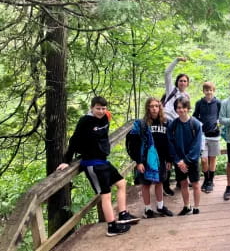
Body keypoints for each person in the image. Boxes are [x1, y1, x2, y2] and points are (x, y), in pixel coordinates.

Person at [56, 96, 140, 237]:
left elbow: (103, 133)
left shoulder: (105, 117)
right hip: (92, 164)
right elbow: (74, 140)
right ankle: (112, 226)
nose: (101, 111)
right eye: (98, 108)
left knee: (121, 183)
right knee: (105, 195)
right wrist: (66, 160)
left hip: (103, 161)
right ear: (92, 108)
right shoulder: (85, 121)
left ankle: (123, 214)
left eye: (103, 108)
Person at [126, 97, 174, 218]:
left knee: (159, 182)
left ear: (160, 107)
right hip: (145, 159)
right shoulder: (141, 124)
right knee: (146, 184)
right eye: (151, 106)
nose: (154, 109)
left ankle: (160, 206)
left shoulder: (166, 122)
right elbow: (134, 144)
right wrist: (138, 162)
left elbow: (169, 142)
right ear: (148, 108)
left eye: (156, 106)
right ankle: (148, 210)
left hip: (161, 158)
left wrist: (169, 159)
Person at [167, 97, 203, 215]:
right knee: (183, 183)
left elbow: (196, 146)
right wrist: (178, 161)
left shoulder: (195, 124)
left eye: (183, 107)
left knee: (195, 183)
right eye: (178, 107)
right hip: (179, 161)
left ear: (188, 108)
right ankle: (187, 206)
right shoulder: (173, 125)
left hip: (191, 160)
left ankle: (196, 207)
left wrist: (186, 161)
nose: (181, 110)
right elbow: (170, 143)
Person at [162, 56, 189, 196]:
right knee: (167, 152)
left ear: (187, 83)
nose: (182, 82)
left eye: (185, 81)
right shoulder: (171, 89)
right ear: (177, 82)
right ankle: (165, 184)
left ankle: (181, 179)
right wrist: (176, 61)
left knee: (179, 150)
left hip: (179, 124)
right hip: (167, 121)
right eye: (181, 80)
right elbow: (167, 73)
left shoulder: (187, 96)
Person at [192, 82, 222, 193]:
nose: (209, 92)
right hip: (202, 135)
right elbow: (195, 116)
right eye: (206, 90)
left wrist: (217, 124)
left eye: (211, 90)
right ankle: (206, 178)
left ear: (214, 91)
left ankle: (210, 181)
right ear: (203, 91)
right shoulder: (199, 103)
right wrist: (199, 125)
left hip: (214, 135)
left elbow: (221, 116)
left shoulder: (218, 102)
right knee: (204, 159)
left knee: (213, 158)